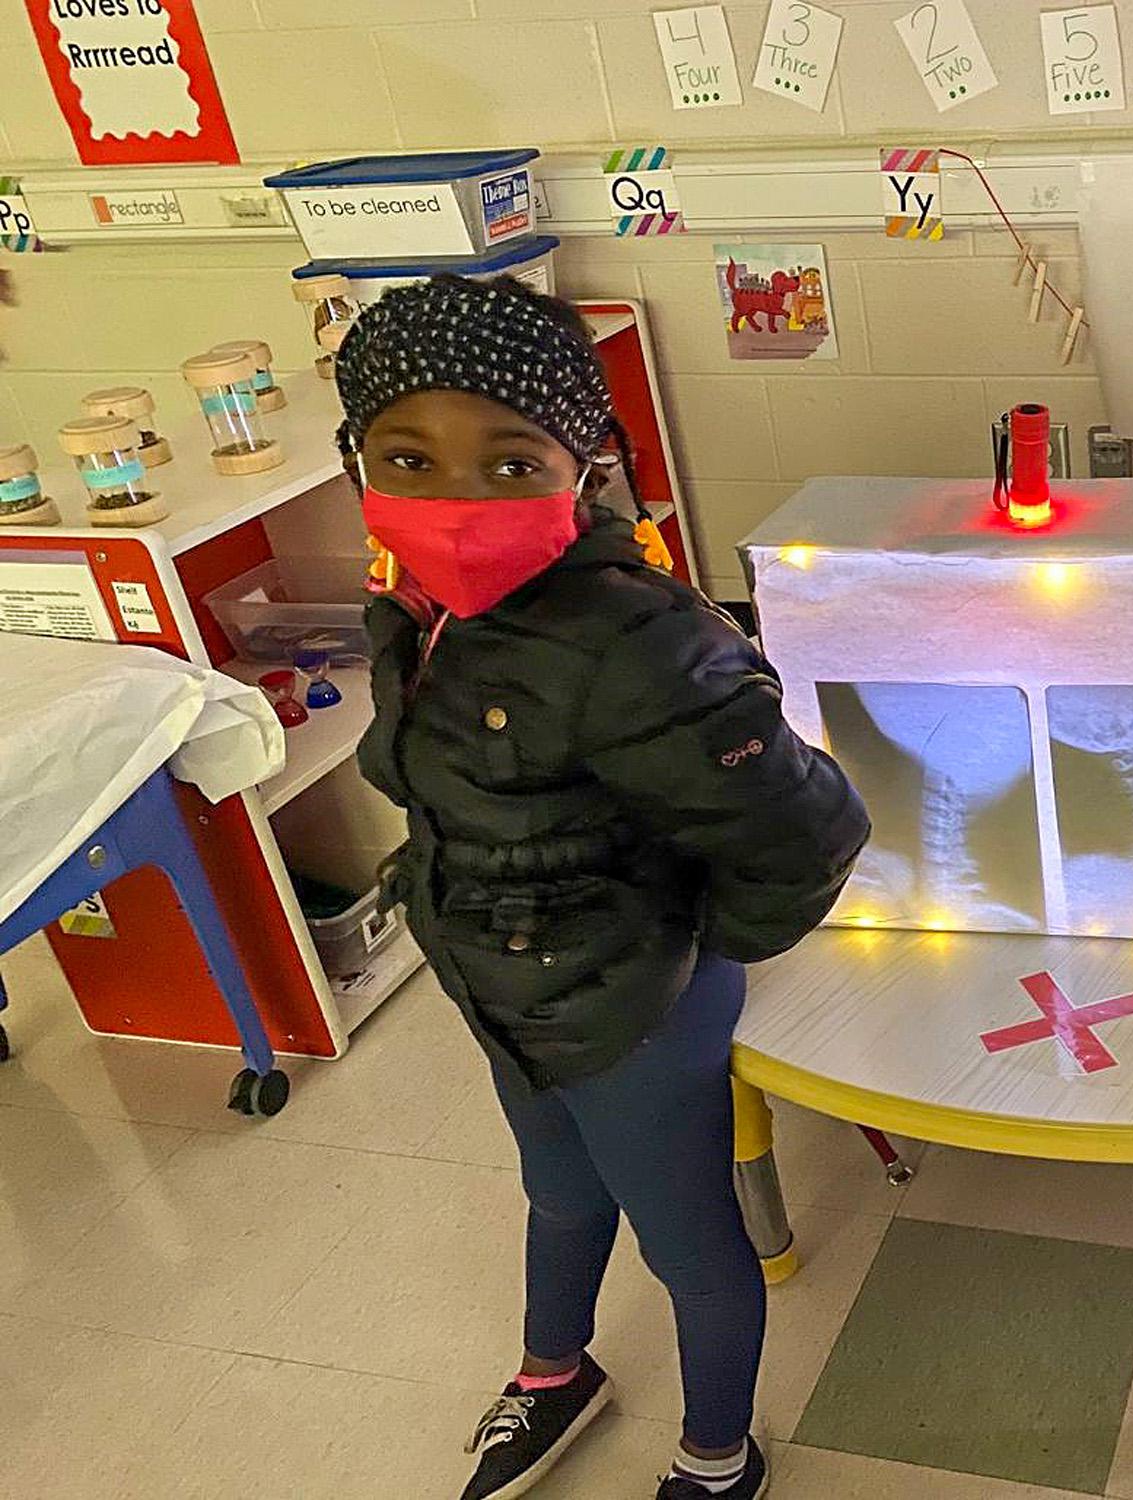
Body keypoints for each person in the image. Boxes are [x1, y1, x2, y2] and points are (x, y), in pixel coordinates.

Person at [338, 275, 869, 1500]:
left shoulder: (643, 641)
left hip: (634, 1012)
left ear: (579, 467)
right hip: (501, 989)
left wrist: (685, 948)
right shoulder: (417, 614)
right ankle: (553, 1373)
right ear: (358, 458)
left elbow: (810, 833)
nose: (456, 500)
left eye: (510, 460)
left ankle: (717, 1458)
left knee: (689, 1245)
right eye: (407, 457)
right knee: (558, 1192)